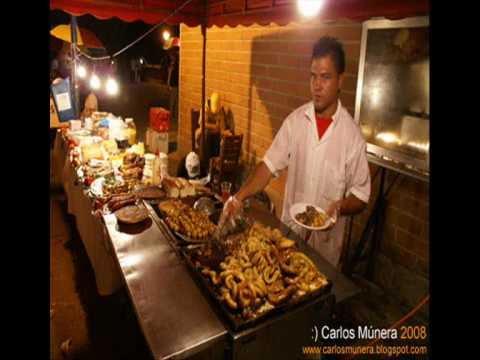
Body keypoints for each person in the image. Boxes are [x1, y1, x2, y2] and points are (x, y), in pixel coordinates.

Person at [221, 37, 371, 268]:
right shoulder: (296, 122)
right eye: (313, 76)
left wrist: (339, 207)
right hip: (288, 240)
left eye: (326, 77)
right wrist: (238, 197)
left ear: (341, 80)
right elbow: (269, 166)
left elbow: (361, 196)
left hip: (325, 253)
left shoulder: (352, 137)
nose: (317, 86)